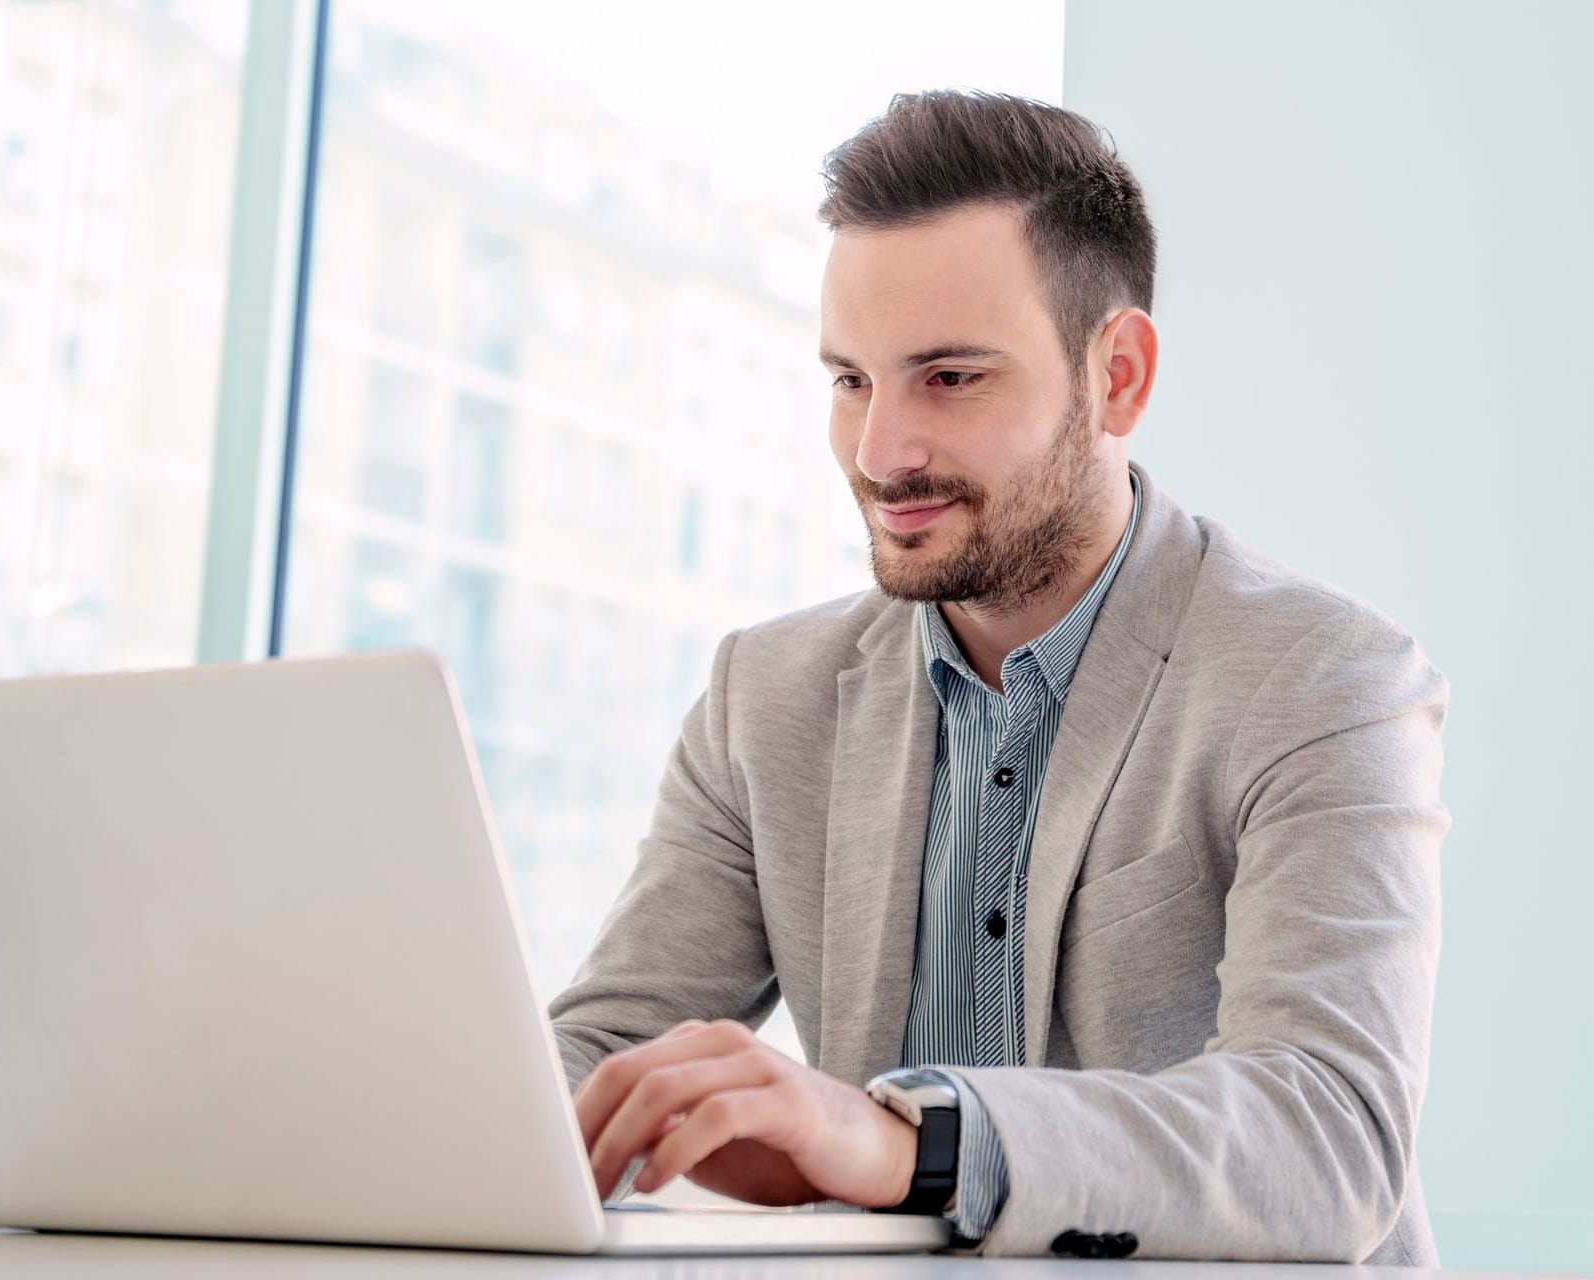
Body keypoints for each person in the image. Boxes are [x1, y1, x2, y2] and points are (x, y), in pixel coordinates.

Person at [547, 90, 1447, 1264]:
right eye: (851, 380)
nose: (880, 454)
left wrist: (902, 1137)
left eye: (950, 377)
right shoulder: (763, 695)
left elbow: (1327, 1136)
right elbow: (597, 1058)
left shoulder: (1329, 681)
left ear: (1118, 375)